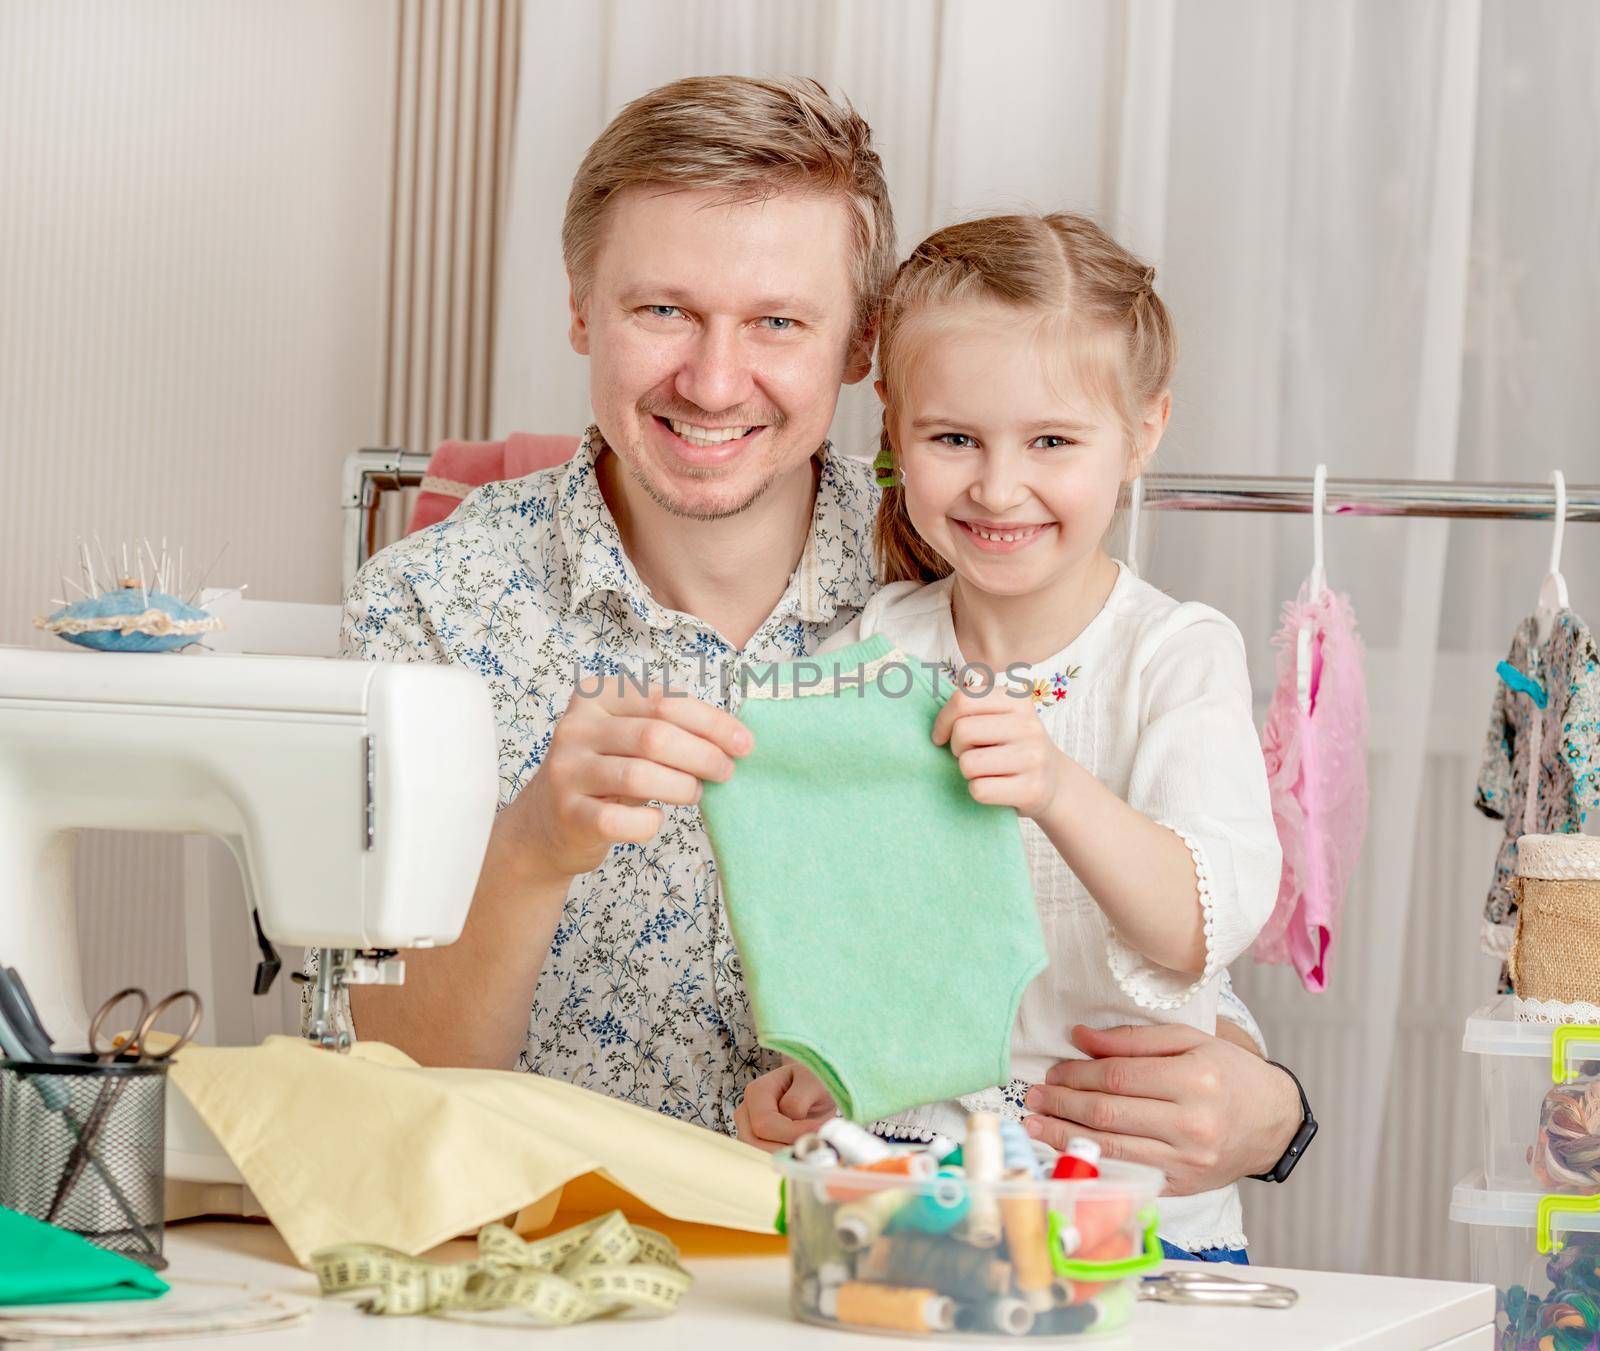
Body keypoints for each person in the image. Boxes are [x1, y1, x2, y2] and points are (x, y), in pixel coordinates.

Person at [338, 75, 1307, 1198]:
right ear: (578, 307)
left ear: (861, 349)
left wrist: (1265, 1107)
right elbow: (386, 1078)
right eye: (662, 310)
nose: (710, 380)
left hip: (895, 1260)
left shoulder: (962, 549)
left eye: (777, 322)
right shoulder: (431, 606)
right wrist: (527, 851)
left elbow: (1107, 919)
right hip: (560, 1253)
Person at [732, 214, 1282, 1261]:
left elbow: (1194, 932)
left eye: (1052, 442)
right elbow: (850, 925)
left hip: (1124, 1203)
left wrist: (1056, 786)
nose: (995, 485)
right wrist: (818, 1072)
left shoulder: (1172, 654)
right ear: (893, 428)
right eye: (953, 439)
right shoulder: (876, 646)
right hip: (908, 1187)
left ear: (1143, 430)